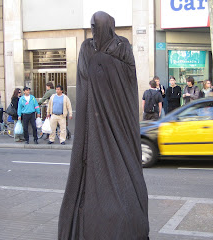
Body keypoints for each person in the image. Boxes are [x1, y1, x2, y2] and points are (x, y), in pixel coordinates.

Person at [58, 11, 149, 240]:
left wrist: (103, 62)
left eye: (96, 26)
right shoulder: (87, 48)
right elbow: (84, 76)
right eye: (91, 26)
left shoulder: (122, 46)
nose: (93, 30)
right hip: (94, 121)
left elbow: (128, 79)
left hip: (117, 119)